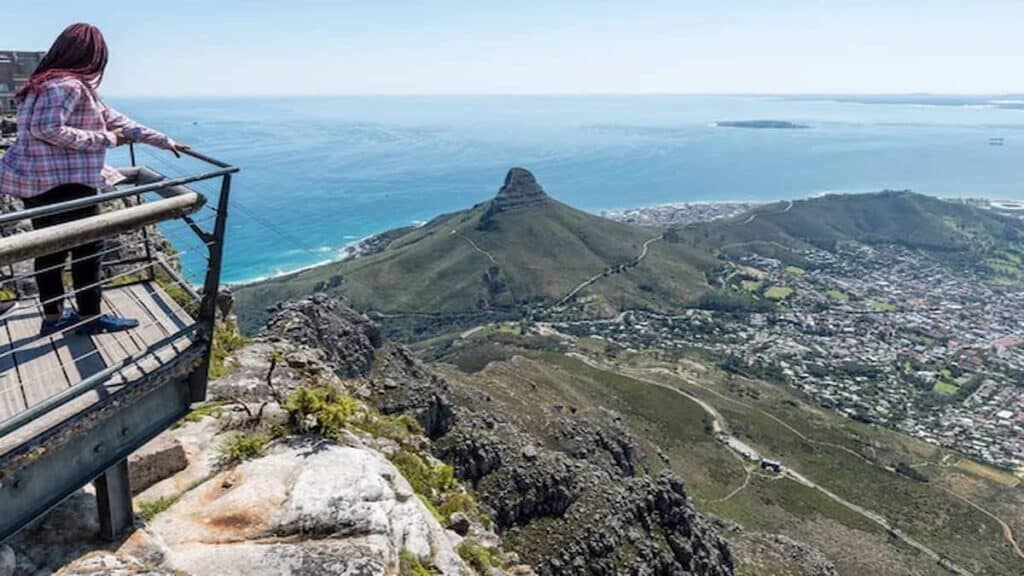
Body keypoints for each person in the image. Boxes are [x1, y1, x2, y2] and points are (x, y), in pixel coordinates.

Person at [0, 23, 187, 335]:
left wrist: (164, 140)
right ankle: (89, 318)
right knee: (88, 250)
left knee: (50, 251)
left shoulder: (43, 84)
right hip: (66, 185)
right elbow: (47, 130)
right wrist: (107, 140)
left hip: (35, 184)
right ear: (92, 56)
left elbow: (119, 120)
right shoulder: (68, 87)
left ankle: (53, 317)